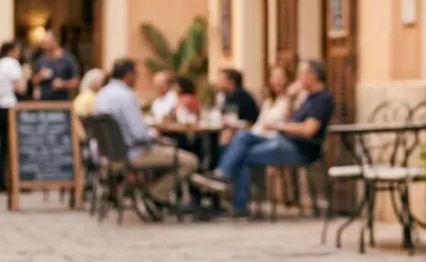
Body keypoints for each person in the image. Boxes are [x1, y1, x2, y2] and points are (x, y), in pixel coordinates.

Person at [191, 59, 333, 218]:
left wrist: (278, 126)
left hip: (300, 149)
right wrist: (289, 99)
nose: (298, 78)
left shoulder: (323, 99)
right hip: (283, 141)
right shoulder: (306, 98)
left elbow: (308, 130)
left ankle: (230, 190)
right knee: (243, 137)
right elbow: (290, 120)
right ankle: (223, 177)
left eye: (301, 74)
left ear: (312, 75)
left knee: (242, 155)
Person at [93, 59, 199, 204]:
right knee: (190, 161)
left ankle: (153, 193)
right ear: (129, 75)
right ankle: (156, 193)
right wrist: (155, 136)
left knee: (166, 149)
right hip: (133, 154)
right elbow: (139, 134)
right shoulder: (126, 96)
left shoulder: (102, 95)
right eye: (136, 75)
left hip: (111, 155)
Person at [0, 41, 26, 194]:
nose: (19, 54)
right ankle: (15, 180)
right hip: (10, 106)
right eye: (17, 50)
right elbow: (21, 88)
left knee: (2, 146)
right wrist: (26, 76)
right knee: (14, 145)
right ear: (11, 51)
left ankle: (1, 181)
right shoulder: (12, 64)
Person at [31, 30, 80, 101]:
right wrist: (40, 77)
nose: (45, 46)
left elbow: (76, 82)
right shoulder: (41, 60)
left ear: (54, 41)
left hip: (62, 103)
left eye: (47, 43)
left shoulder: (68, 59)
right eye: (44, 43)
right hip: (43, 103)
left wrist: (63, 84)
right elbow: (34, 81)